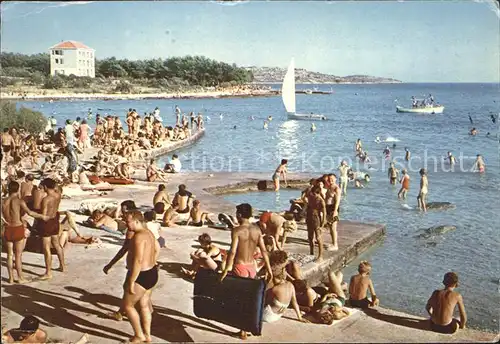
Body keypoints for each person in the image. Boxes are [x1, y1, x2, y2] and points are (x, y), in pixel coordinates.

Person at [220, 203, 273, 340]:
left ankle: (242, 331)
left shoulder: (237, 230)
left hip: (240, 266)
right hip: (252, 267)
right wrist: (268, 268)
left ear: (239, 215)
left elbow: (232, 252)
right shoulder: (257, 230)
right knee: (250, 299)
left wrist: (226, 269)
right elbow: (264, 251)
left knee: (240, 299)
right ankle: (249, 326)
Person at [122, 210, 160, 343]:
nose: (126, 224)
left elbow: (137, 260)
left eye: (128, 222)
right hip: (152, 272)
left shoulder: (138, 236)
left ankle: (139, 335)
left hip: (142, 275)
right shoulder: (149, 232)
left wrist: (132, 281)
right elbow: (157, 248)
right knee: (144, 305)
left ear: (136, 221)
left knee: (128, 306)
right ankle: (148, 335)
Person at [2, 181, 48, 284]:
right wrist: (42, 216)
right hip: (17, 227)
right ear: (18, 189)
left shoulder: (3, 201)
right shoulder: (19, 201)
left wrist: (4, 221)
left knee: (9, 255)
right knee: (18, 255)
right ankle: (20, 277)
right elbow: (30, 213)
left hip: (7, 228)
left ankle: (10, 278)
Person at [262, 251, 308, 324]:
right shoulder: (290, 285)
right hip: (278, 315)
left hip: (268, 316)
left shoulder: (275, 288)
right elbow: (294, 302)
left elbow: (264, 300)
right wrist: (299, 317)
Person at [38, 178, 65, 280]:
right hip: (55, 221)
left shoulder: (46, 199)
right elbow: (57, 188)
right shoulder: (58, 195)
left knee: (46, 248)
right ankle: (62, 265)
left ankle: (48, 272)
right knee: (57, 244)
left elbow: (44, 215)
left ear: (45, 186)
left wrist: (34, 213)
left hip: (47, 223)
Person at [306, 185, 326, 262]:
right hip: (309, 217)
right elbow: (305, 193)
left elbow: (324, 213)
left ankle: (320, 256)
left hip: (316, 218)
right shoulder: (310, 196)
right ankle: (311, 253)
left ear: (318, 193)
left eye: (315, 194)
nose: (314, 195)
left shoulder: (321, 201)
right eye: (313, 193)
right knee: (310, 237)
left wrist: (323, 224)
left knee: (318, 237)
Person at [324, 174, 341, 252]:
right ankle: (333, 243)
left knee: (333, 227)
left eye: (332, 179)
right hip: (327, 208)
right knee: (330, 227)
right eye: (329, 179)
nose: (330, 180)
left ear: (336, 179)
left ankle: (335, 245)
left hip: (333, 208)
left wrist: (335, 211)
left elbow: (337, 201)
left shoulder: (336, 188)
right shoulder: (329, 187)